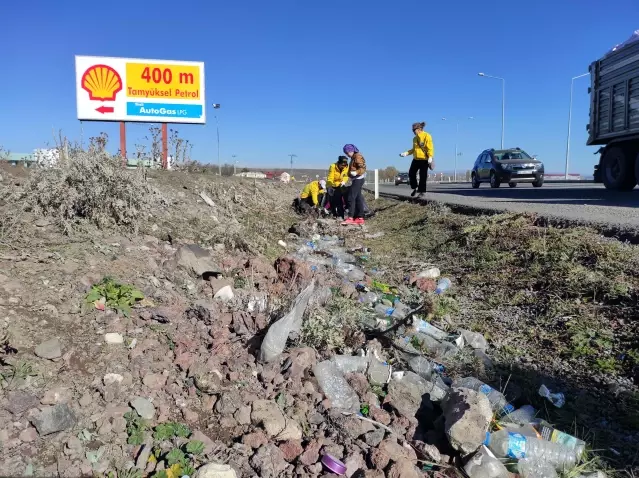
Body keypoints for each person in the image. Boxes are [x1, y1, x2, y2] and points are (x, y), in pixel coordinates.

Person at [399, 121, 435, 198]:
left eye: (414, 130)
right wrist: (406, 153)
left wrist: (430, 157)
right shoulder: (414, 139)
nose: (413, 132)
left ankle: (422, 191)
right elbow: (414, 149)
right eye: (412, 130)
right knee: (411, 173)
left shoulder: (427, 136)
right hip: (416, 159)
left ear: (419, 129)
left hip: (424, 159)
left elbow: (430, 147)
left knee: (423, 175)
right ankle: (415, 188)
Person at [341, 144, 366, 226]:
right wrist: (347, 177)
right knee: (358, 198)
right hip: (356, 179)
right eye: (346, 153)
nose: (347, 154)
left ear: (351, 150)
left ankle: (350, 217)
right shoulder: (353, 157)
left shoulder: (357, 156)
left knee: (351, 197)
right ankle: (360, 218)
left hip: (358, 179)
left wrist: (356, 172)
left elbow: (362, 168)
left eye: (347, 152)